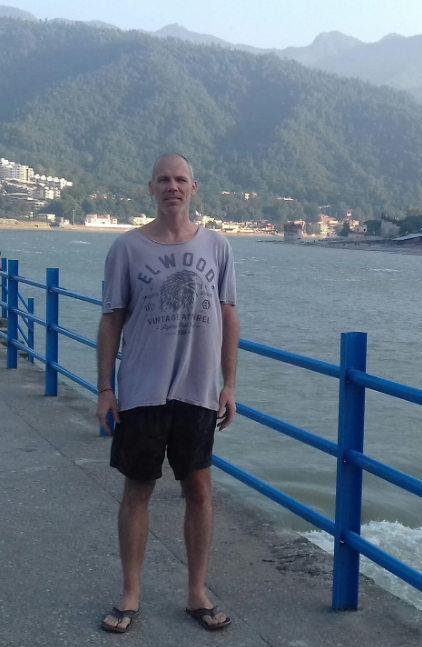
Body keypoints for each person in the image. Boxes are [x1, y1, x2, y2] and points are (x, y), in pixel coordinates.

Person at [96, 153, 239, 633]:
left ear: (194, 187)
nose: (172, 186)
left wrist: (229, 384)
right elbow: (111, 319)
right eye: (164, 179)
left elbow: (229, 313)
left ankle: (197, 592)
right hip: (141, 391)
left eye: (180, 179)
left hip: (199, 392)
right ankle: (130, 593)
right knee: (138, 489)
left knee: (198, 489)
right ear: (151, 188)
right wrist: (104, 389)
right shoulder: (127, 248)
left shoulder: (218, 245)